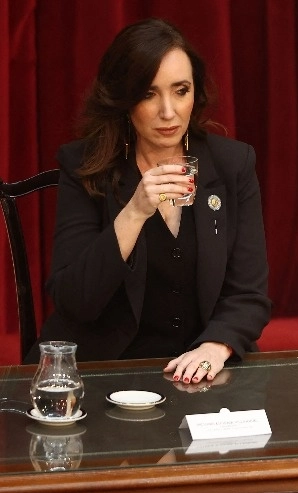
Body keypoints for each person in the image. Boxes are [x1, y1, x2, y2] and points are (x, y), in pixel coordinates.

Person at [33, 18, 271, 385]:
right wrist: (135, 211)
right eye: (148, 93)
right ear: (123, 99)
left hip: (201, 369)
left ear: (196, 93)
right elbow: (75, 301)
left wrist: (217, 345)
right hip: (104, 368)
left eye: (180, 90)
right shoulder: (85, 166)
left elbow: (249, 293)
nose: (168, 112)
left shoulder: (232, 164)